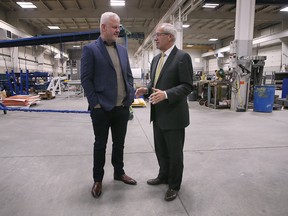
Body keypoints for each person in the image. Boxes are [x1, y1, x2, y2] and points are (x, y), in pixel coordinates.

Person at [81, 12, 137, 198]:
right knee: (100, 145)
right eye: (114, 26)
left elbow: (128, 74)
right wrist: (95, 103)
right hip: (101, 109)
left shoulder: (121, 50)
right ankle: (98, 179)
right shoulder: (91, 49)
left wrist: (130, 94)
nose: (118, 30)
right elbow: (86, 79)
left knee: (119, 143)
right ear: (103, 27)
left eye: (119, 26)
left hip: (122, 107)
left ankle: (119, 172)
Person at [135, 23, 193, 201]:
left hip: (174, 115)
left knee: (175, 153)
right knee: (160, 149)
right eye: (155, 36)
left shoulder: (183, 57)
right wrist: (146, 90)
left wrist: (167, 94)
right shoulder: (156, 59)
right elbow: (155, 83)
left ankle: (174, 185)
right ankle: (163, 175)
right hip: (158, 114)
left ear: (170, 37)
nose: (155, 39)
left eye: (158, 35)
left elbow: (187, 86)